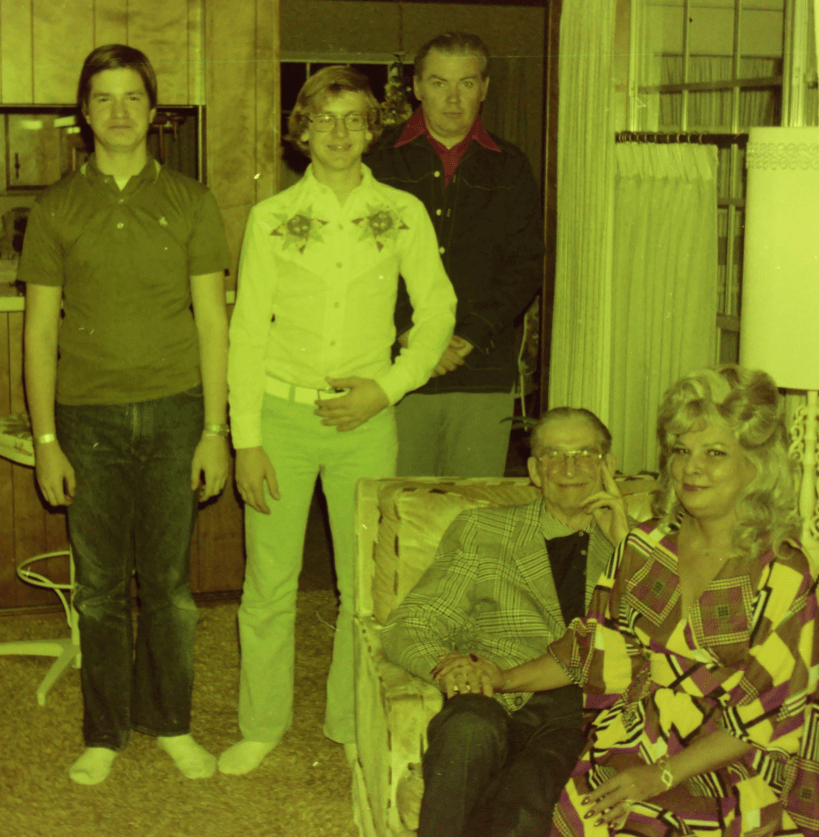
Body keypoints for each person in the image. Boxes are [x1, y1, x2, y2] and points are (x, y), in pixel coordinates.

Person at [221, 65, 457, 776]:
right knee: (269, 582)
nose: (338, 132)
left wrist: (386, 388)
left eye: (354, 118)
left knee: (365, 588)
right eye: (324, 118)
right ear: (301, 129)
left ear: (372, 129)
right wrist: (246, 440)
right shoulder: (270, 218)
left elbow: (437, 311)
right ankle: (261, 724)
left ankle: (351, 721)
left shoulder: (402, 212)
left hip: (365, 424)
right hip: (279, 419)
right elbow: (246, 332)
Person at [474, 366, 819, 836]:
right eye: (681, 450)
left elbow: (765, 716)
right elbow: (593, 650)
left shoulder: (784, 571)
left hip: (732, 762)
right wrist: (503, 678)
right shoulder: (645, 546)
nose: (691, 468)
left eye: (715, 453)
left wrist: (659, 777)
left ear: (756, 464)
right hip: (635, 741)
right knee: (568, 816)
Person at [18, 44, 231, 785]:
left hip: (177, 414)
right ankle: (104, 732)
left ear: (153, 111)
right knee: (101, 588)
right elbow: (39, 332)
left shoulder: (191, 200)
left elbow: (213, 322)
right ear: (84, 112)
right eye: (103, 98)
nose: (118, 111)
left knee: (169, 587)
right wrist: (46, 440)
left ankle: (171, 723)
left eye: (132, 97)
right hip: (86, 420)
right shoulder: (55, 208)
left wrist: (216, 429)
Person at [382, 408, 631, 836]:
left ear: (608, 465)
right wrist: (450, 667)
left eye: (585, 454)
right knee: (466, 729)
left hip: (582, 715)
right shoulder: (485, 529)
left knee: (525, 799)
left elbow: (670, 637)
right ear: (535, 470)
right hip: (495, 695)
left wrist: (625, 544)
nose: (569, 468)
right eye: (554, 455)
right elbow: (412, 622)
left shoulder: (643, 544)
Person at [366, 32, 545, 479]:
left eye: (465, 84)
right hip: (396, 369)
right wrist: (412, 334)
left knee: (471, 508)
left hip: (480, 371)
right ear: (417, 87)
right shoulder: (377, 160)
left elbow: (524, 267)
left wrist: (465, 336)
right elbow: (362, 260)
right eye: (438, 82)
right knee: (398, 507)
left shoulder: (511, 165)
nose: (452, 99)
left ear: (484, 88)